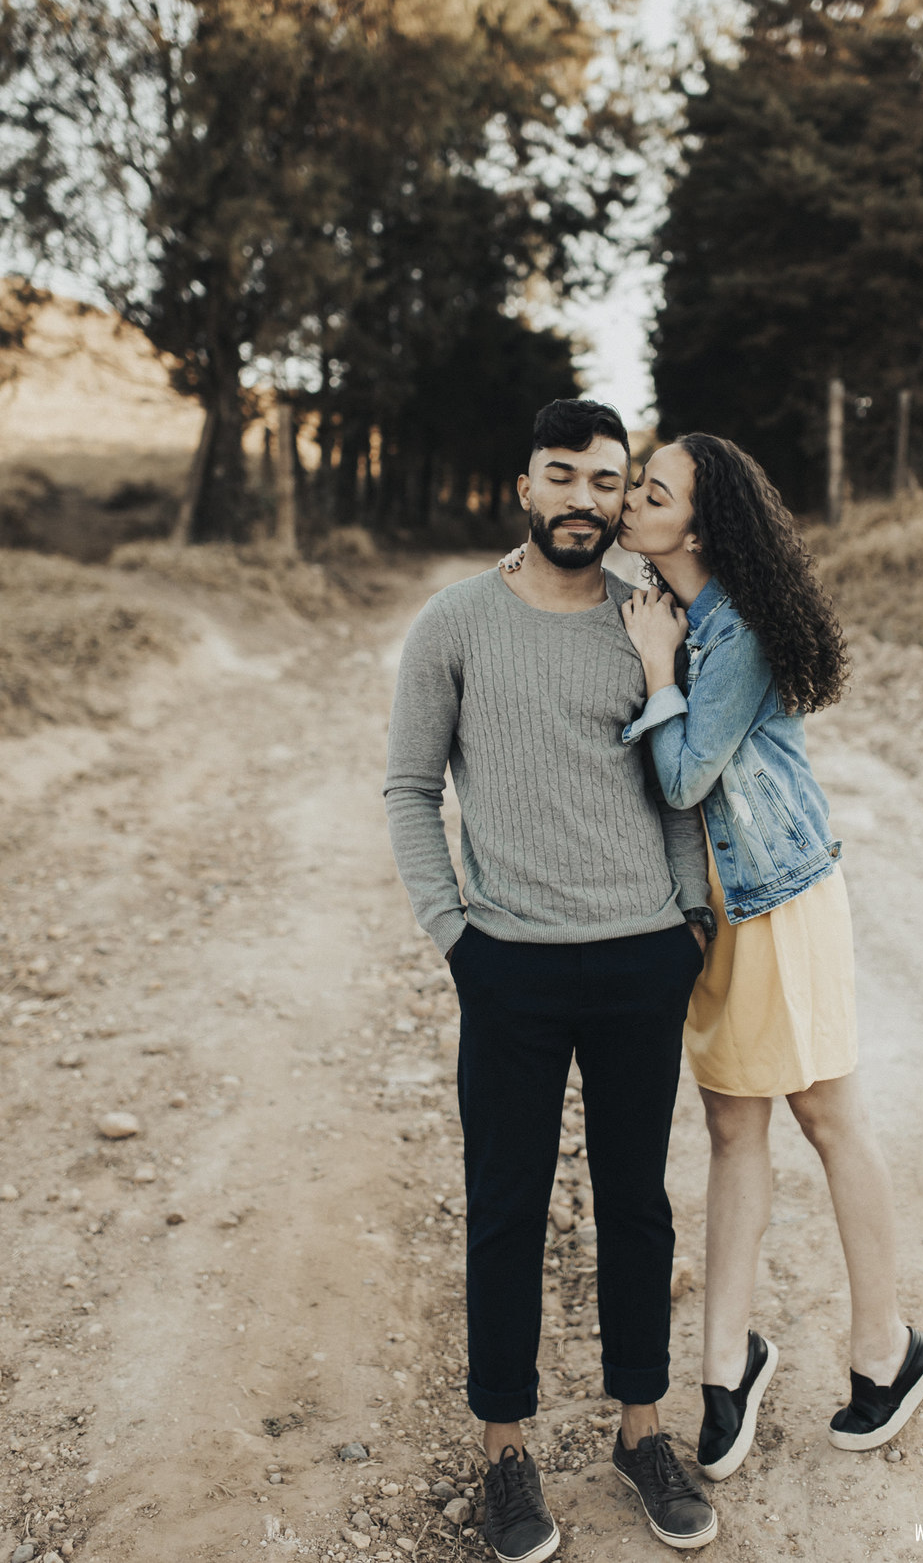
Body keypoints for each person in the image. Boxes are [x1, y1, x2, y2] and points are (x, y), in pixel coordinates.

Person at [505, 431, 923, 1483]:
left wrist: (659, 670)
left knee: (830, 1117)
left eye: (649, 493)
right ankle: (725, 1359)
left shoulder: (731, 630)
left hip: (783, 905)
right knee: (731, 1126)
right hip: (715, 915)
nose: (628, 504)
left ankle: (889, 1349)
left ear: (694, 526)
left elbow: (688, 779)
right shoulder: (668, 609)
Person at [384, 399, 719, 1563]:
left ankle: (642, 1432)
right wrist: (455, 934)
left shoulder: (648, 621)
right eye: (562, 475)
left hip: (640, 959)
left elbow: (677, 783)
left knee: (636, 1207)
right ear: (523, 484)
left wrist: (684, 922)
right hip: (509, 966)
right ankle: (506, 1454)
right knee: (508, 1211)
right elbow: (407, 789)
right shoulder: (456, 622)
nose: (584, 498)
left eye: (606, 480)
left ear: (626, 497)